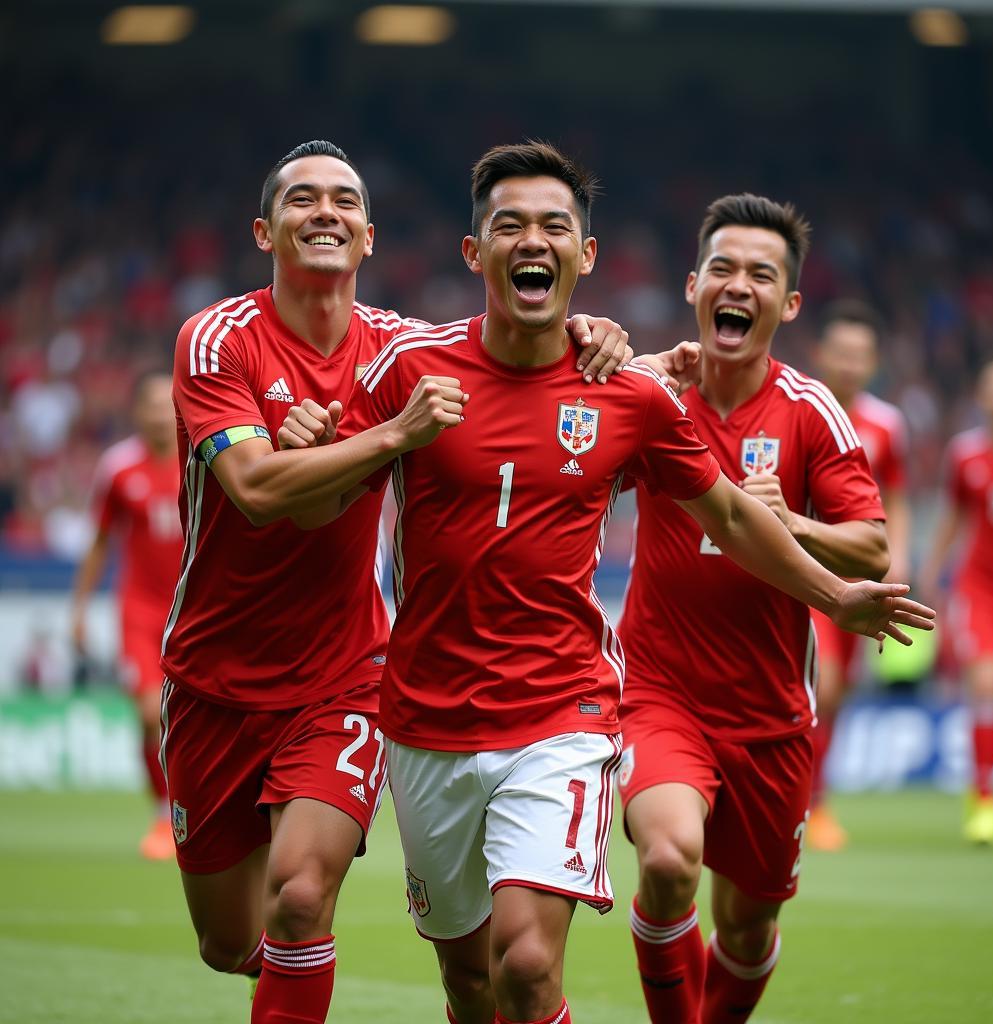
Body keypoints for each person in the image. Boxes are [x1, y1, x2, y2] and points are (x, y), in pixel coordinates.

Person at [283, 146, 933, 1024]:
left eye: (555, 226)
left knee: (526, 962)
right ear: (475, 254)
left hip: (561, 713)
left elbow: (735, 520)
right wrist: (305, 436)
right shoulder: (410, 372)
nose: (532, 241)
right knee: (470, 982)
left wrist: (833, 595)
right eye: (508, 225)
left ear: (584, 258)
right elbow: (318, 503)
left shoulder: (629, 395)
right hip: (424, 720)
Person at [161, 138, 631, 1024]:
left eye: (344, 200)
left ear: (369, 238)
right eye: (303, 200)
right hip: (211, 680)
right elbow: (259, 493)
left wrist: (589, 331)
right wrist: (388, 437)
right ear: (266, 230)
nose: (325, 212)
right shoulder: (217, 338)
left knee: (301, 896)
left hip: (347, 674)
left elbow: (510, 342)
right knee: (229, 944)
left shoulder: (404, 350)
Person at [615, 194, 919, 1024]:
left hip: (771, 712)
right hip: (657, 693)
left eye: (760, 274)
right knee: (669, 861)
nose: (736, 285)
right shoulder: (654, 398)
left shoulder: (811, 411)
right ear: (692, 287)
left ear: (786, 305)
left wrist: (791, 521)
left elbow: (871, 548)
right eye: (722, 268)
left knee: (745, 930)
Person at [805, 300, 911, 850]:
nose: (848, 364)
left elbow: (896, 495)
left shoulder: (888, 425)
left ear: (872, 362)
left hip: (857, 577)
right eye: (839, 353)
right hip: (800, 570)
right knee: (818, 682)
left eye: (859, 355)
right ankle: (797, 799)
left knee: (836, 693)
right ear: (821, 354)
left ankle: (816, 803)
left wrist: (902, 554)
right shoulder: (799, 408)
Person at [71, 370, 182, 860]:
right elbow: (98, 542)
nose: (161, 413)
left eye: (168, 404)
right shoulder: (118, 468)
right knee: (148, 714)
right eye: (152, 405)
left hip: (196, 608)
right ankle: (165, 815)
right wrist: (78, 608)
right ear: (137, 412)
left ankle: (194, 812)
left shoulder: (204, 453)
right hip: (138, 608)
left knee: (187, 718)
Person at [919, 358, 993, 845]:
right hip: (980, 588)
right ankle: (984, 798)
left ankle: (983, 778)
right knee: (986, 682)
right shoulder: (964, 455)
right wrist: (931, 574)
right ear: (982, 398)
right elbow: (952, 518)